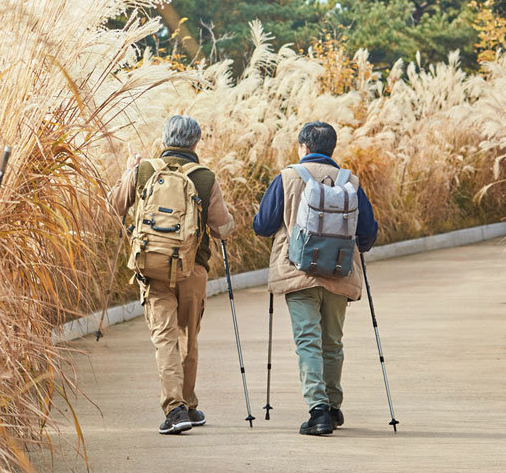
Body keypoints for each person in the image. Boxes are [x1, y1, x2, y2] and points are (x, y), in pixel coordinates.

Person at [109, 115, 234, 435]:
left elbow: (114, 206)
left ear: (164, 140)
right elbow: (222, 229)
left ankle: (177, 408)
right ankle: (186, 405)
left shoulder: (144, 170)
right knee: (187, 337)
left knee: (164, 337)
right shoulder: (205, 178)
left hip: (152, 268)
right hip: (193, 269)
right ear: (195, 143)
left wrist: (128, 170)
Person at [252, 121, 378, 436]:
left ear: (303, 147)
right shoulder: (351, 182)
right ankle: (334, 407)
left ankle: (318, 410)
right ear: (331, 149)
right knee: (332, 342)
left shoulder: (287, 177)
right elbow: (367, 235)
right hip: (339, 272)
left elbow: (263, 225)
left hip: (298, 272)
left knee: (307, 341)